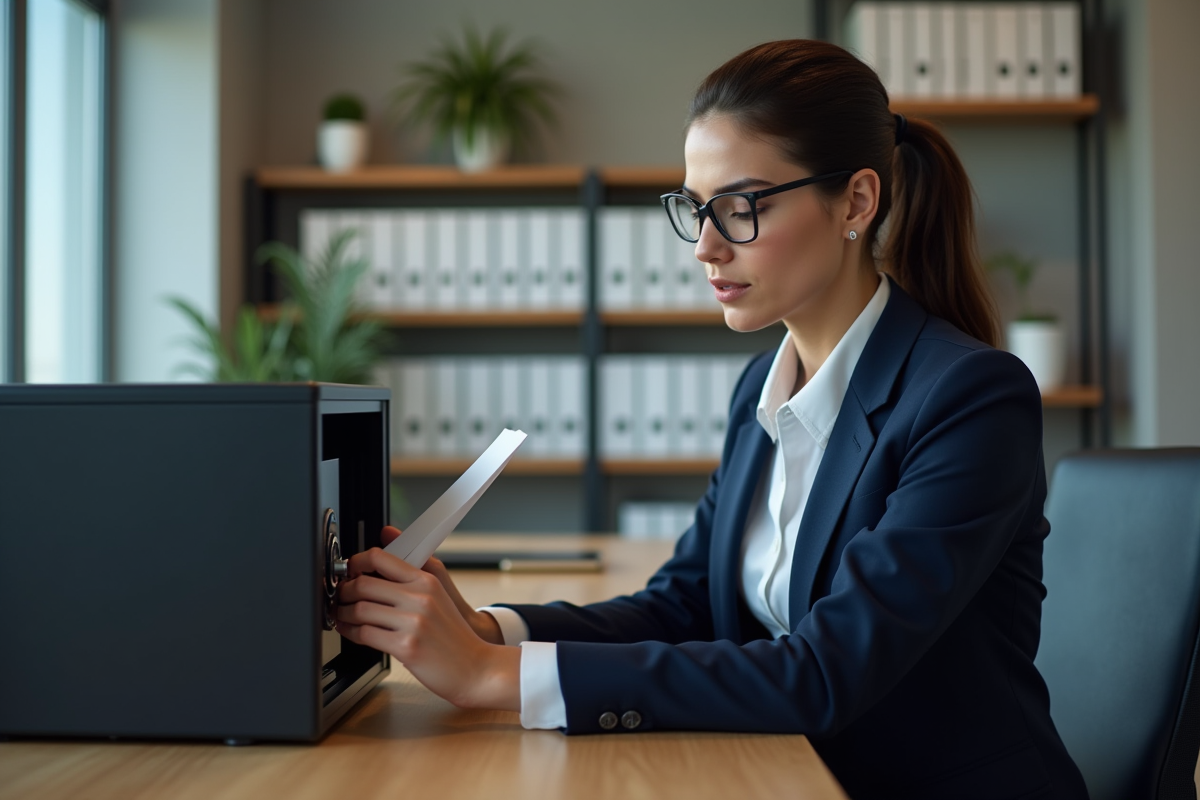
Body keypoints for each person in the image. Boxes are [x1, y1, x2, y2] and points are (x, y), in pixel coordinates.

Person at [335, 39, 1089, 800]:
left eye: (742, 207)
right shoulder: (761, 387)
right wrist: (490, 630)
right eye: (697, 209)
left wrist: (490, 675)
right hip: (792, 775)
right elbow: (687, 605)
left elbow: (826, 673)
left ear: (857, 203)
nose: (705, 247)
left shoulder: (969, 398)